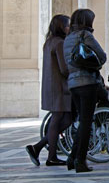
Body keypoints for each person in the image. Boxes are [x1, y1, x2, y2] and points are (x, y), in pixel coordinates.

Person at [63, 9, 106, 173]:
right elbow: (101, 56)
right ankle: (80, 161)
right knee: (86, 123)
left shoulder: (67, 38)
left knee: (83, 122)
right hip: (87, 82)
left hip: (73, 84)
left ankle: (72, 158)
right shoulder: (85, 35)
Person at [26, 15, 72, 167]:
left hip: (52, 86)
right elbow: (64, 68)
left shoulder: (49, 42)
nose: (69, 28)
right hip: (58, 87)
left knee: (63, 119)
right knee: (58, 119)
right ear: (61, 27)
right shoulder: (59, 43)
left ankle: (38, 147)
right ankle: (51, 156)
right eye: (67, 25)